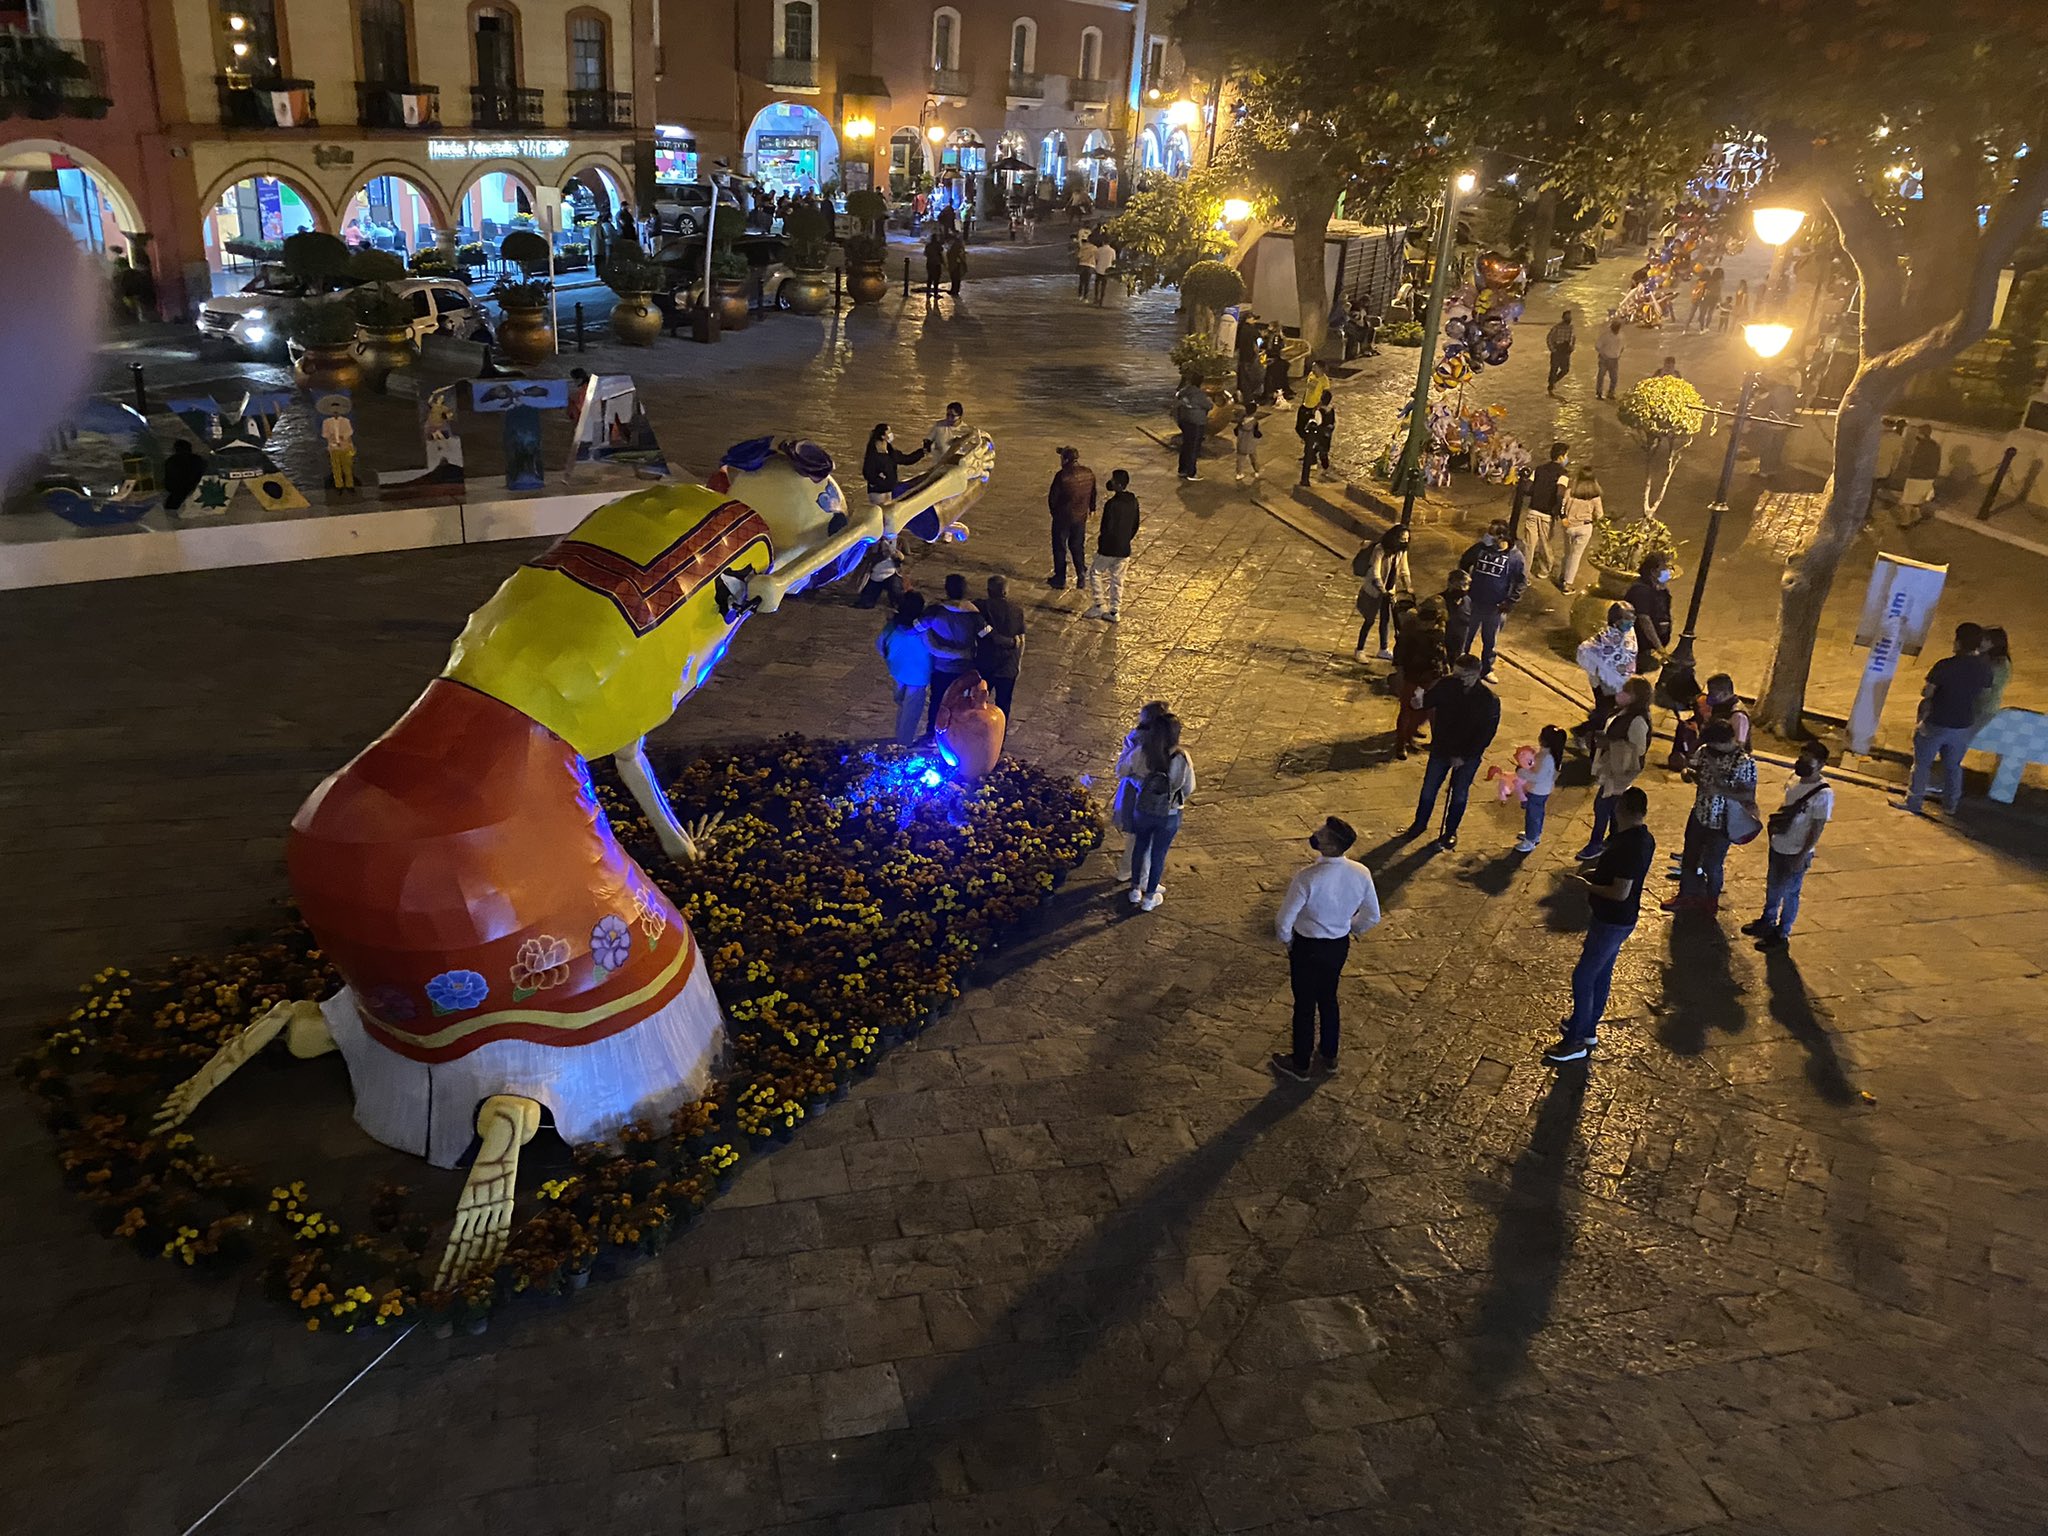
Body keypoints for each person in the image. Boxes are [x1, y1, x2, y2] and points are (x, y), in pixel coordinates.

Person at [1543, 786, 1656, 1065]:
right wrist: (1598, 873)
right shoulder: (1643, 838)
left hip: (1611, 920)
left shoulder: (1629, 846)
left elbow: (1620, 891)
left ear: (1623, 810)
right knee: (1601, 973)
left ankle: (1575, 1042)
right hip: (1619, 919)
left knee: (1583, 977)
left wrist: (1586, 885)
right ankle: (1587, 1027)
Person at [1270, 816, 1382, 1082]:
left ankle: (1300, 1063)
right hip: (1337, 946)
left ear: (1330, 845)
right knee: (1329, 998)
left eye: (1322, 833)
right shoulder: (1360, 873)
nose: (1316, 833)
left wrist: (1287, 940)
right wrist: (1350, 927)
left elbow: (1284, 920)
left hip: (1307, 946)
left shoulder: (1307, 878)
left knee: (1305, 1004)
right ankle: (1329, 1055)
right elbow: (1372, 915)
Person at [1403, 652, 1500, 851]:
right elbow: (1427, 701)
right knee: (1429, 788)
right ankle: (1419, 824)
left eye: (1462, 676)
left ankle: (1450, 831)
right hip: (1442, 747)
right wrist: (1417, 702)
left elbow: (1486, 734)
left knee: (1459, 793)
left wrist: (1463, 756)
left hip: (1467, 755)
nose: (1456, 680)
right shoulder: (1448, 685)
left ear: (1476, 674)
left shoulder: (1488, 700)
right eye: (1455, 675)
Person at [1900, 621, 1994, 816]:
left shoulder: (1945, 665)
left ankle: (1914, 802)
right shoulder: (1984, 669)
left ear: (1958, 642)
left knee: (1922, 764)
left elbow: (1928, 693)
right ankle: (1950, 804)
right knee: (1953, 766)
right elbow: (1984, 695)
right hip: (1963, 724)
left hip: (1937, 721)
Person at [1745, 743, 1833, 952]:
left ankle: (1782, 932)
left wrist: (1803, 854)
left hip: (1796, 851)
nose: (1801, 761)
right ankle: (1767, 920)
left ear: (1820, 765)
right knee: (1773, 886)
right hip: (1780, 844)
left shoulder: (1823, 794)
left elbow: (1817, 827)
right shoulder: (1794, 779)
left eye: (1808, 758)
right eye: (1801, 756)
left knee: (1790, 892)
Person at [1663, 719, 1757, 913]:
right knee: (1690, 857)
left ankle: (1711, 899)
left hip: (1724, 821)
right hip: (1700, 812)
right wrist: (1688, 774)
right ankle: (1686, 895)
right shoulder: (1705, 751)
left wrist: (1720, 789)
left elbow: (1747, 794)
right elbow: (1695, 771)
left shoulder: (1744, 762)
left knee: (1713, 864)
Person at [1577, 676, 1653, 861]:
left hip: (1621, 771)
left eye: (1626, 691)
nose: (1620, 693)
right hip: (1613, 766)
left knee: (1602, 805)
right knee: (1612, 806)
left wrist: (1609, 743)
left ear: (1636, 697)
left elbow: (1639, 749)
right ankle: (1614, 839)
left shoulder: (1637, 721)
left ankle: (1596, 844)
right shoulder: (1624, 711)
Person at [1128, 711, 1194, 911]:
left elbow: (1127, 772)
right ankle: (1149, 897)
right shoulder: (1181, 756)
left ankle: (1134, 890)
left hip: (1144, 808)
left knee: (1140, 847)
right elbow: (1189, 788)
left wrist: (1143, 787)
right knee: (1159, 853)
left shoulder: (1143, 752)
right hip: (1170, 812)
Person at [1457, 518, 1528, 682]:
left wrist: (1510, 601)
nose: (1487, 538)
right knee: (1465, 636)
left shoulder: (1515, 557)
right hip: (1473, 601)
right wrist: (1465, 585)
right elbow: (1464, 562)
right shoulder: (1481, 549)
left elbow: (1521, 581)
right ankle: (1461, 666)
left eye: (1492, 534)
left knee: (1490, 641)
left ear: (1502, 537)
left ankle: (1487, 669)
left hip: (1495, 607)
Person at [917, 573, 987, 735]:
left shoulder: (935, 612)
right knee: (961, 705)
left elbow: (916, 628)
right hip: (965, 670)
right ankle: (956, 736)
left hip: (942, 668)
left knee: (937, 702)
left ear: (946, 589)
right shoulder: (974, 615)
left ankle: (932, 734)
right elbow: (986, 636)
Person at [1110, 701, 1170, 883]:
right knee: (1146, 840)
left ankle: (1130, 873)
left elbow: (1121, 770)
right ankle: (1140, 879)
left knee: (1137, 837)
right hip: (1156, 798)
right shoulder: (1167, 746)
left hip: (1136, 795)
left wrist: (1126, 750)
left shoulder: (1138, 744)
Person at [1392, 598, 1448, 758]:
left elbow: (1441, 653)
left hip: (1432, 675)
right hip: (1413, 675)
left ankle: (1419, 738)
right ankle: (1401, 743)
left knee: (1431, 710)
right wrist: (1400, 676)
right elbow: (1400, 657)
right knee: (1406, 710)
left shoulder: (1438, 632)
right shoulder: (1410, 634)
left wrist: (1444, 669)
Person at [876, 590, 933, 744]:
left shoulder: (891, 627)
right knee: (911, 711)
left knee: (902, 704)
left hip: (898, 672)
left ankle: (900, 734)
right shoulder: (925, 631)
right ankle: (904, 743)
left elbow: (880, 646)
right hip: (919, 676)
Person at [1575, 603, 1639, 739]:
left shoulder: (1630, 634)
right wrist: (1601, 672)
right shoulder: (1605, 638)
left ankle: (1587, 732)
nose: (1631, 622)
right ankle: (1582, 732)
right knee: (1604, 713)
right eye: (1627, 618)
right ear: (1616, 620)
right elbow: (1586, 650)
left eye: (1633, 618)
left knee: (1606, 712)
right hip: (1603, 683)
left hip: (1621, 682)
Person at [1352, 526, 1413, 662]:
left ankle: (1383, 648)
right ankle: (1359, 649)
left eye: (1407, 539)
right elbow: (1375, 573)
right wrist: (1382, 590)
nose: (1404, 542)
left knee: (1385, 619)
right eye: (1402, 539)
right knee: (1369, 620)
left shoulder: (1401, 552)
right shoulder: (1380, 549)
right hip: (1374, 591)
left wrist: (1408, 586)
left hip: (1389, 591)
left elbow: (1404, 569)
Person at [1088, 468, 1140, 621]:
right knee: (1118, 580)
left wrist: (1102, 544)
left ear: (1117, 484)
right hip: (1124, 548)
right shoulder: (1133, 501)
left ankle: (1099, 604)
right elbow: (1135, 524)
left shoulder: (1112, 504)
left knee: (1095, 572)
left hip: (1109, 548)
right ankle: (1114, 611)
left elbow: (1106, 527)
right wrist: (1126, 539)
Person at [1671, 672, 1751, 771]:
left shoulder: (1738, 716)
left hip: (1725, 767)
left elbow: (1739, 747)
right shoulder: (1721, 707)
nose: (1709, 697)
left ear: (1724, 693)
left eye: (1712, 693)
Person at [975, 575, 1027, 714]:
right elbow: (1021, 639)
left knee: (979, 703)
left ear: (989, 591)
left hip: (986, 663)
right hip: (1008, 665)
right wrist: (1018, 663)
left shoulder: (981, 607)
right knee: (1003, 705)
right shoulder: (1017, 610)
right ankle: (999, 734)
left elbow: (979, 631)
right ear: (1005, 592)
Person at [1046, 445, 1097, 588]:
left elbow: (1052, 499)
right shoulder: (1088, 473)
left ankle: (1060, 577)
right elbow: (1093, 493)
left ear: (1066, 459)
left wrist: (1055, 514)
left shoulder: (1062, 476)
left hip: (1063, 518)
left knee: (1060, 547)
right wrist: (1092, 508)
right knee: (1077, 546)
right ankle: (1081, 572)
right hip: (1080, 517)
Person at [1511, 725, 1568, 854]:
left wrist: (1521, 771)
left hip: (1537, 791)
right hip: (1542, 790)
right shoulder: (1551, 754)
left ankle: (1530, 840)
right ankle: (1534, 834)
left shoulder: (1546, 757)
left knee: (1533, 815)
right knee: (1537, 813)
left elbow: (1538, 776)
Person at [1519, 441, 1570, 580]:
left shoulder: (1539, 469)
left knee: (1529, 545)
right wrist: (1561, 514)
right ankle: (1545, 569)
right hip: (1547, 515)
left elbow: (1527, 488)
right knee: (1545, 543)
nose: (1566, 458)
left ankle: (1524, 574)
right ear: (1560, 457)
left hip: (1532, 511)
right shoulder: (1563, 474)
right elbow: (1560, 495)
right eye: (1566, 455)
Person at [1623, 551, 1674, 674]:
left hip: (1650, 644)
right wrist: (1659, 648)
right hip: (1639, 645)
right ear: (1653, 571)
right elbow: (1644, 620)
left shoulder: (1659, 588)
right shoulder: (1641, 591)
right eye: (1664, 569)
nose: (1668, 572)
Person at [862, 423, 926, 504]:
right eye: (889, 432)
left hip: (890, 491)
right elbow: (867, 472)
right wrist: (879, 481)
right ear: (883, 436)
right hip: (877, 492)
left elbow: (907, 459)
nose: (891, 434)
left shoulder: (891, 453)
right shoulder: (873, 454)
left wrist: (922, 452)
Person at [1898, 425, 1941, 527]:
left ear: (1920, 433)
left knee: (1907, 501)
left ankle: (1906, 523)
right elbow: (1937, 462)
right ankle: (1917, 517)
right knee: (1918, 500)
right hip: (1929, 477)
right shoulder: (1936, 445)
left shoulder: (1921, 446)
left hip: (1916, 476)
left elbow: (1916, 461)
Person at [1973, 626, 2012, 733]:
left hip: (1984, 708)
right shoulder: (1983, 658)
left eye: (1986, 640)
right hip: (1977, 706)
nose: (1981, 642)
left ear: (1996, 644)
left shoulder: (1999, 665)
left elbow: (1985, 687)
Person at [1173, 375, 1211, 481]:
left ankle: (1182, 470)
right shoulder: (1199, 395)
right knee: (1193, 448)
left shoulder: (1184, 392)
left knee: (1186, 445)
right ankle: (1191, 472)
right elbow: (1209, 406)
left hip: (1185, 421)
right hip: (1196, 422)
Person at [1440, 567, 1474, 665]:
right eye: (1460, 585)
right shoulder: (1439, 601)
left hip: (1458, 649)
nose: (1463, 589)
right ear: (1450, 584)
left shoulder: (1468, 601)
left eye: (1466, 585)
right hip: (1441, 650)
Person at [162, 438, 207, 510]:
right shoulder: (198, 460)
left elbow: (168, 479)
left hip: (177, 491)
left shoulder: (171, 460)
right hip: (194, 488)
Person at [320, 407, 357, 493]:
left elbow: (349, 432)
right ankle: (339, 486)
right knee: (336, 467)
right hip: (333, 447)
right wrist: (330, 435)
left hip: (345, 446)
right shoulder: (326, 422)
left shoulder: (346, 421)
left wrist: (342, 436)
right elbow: (324, 434)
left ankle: (350, 485)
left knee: (347, 467)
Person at [1593, 320, 1626, 400]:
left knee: (1614, 378)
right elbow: (1597, 346)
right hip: (1604, 359)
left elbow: (1622, 347)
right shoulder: (1605, 336)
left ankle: (1611, 393)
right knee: (1601, 376)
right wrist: (1603, 355)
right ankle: (1599, 393)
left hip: (1614, 360)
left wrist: (1618, 355)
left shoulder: (1621, 336)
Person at [1545, 308, 1576, 393]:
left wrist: (1572, 347)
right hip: (1557, 349)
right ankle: (1551, 385)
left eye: (1570, 317)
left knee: (1565, 369)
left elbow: (1573, 338)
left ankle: (1553, 381)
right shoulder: (1557, 327)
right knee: (1554, 369)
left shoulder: (1571, 328)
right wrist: (1553, 349)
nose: (1569, 319)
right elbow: (1549, 338)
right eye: (1567, 317)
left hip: (1565, 351)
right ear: (1563, 318)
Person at [1233, 407, 1262, 484]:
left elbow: (1235, 431)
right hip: (1250, 443)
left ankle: (1239, 474)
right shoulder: (1255, 422)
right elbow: (1256, 433)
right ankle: (1257, 471)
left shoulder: (1241, 421)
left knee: (1240, 460)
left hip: (1241, 443)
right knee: (1253, 458)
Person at [1089, 235, 1117, 304]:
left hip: (1099, 269)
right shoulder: (1112, 251)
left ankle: (1096, 298)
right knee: (1103, 286)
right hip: (1107, 270)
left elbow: (1096, 259)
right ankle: (1101, 299)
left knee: (1097, 284)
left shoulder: (1099, 250)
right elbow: (1114, 260)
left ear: (1103, 242)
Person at [924, 231, 946, 301]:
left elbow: (925, 253)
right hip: (936, 263)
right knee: (936, 279)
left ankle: (928, 292)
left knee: (930, 278)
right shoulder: (938, 245)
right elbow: (941, 253)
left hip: (929, 263)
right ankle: (935, 293)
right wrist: (943, 262)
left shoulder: (928, 245)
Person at [946, 233, 968, 298]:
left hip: (955, 264)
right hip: (955, 263)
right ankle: (954, 290)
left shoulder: (956, 245)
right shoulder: (957, 245)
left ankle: (955, 290)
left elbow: (959, 254)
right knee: (955, 278)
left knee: (955, 277)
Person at [1076, 234, 1096, 301]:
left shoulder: (1082, 247)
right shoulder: (1094, 248)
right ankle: (1085, 298)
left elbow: (1078, 256)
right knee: (1087, 282)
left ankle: (1079, 296)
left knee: (1081, 281)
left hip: (1082, 264)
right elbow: (1096, 257)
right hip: (1090, 265)